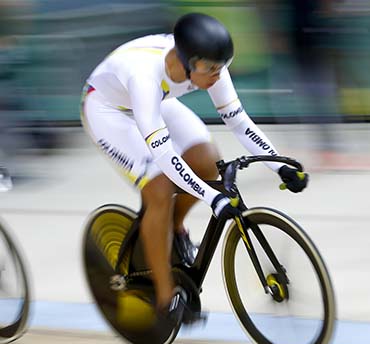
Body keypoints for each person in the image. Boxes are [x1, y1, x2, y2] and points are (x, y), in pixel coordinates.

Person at [80, 13, 308, 327]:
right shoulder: (144, 74)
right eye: (211, 70)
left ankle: (173, 229)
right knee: (158, 190)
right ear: (189, 62)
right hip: (108, 110)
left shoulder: (210, 65)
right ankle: (164, 297)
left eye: (222, 67)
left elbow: (239, 124)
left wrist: (279, 165)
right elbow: (163, 155)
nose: (218, 76)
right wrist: (212, 198)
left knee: (206, 158)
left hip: (157, 102)